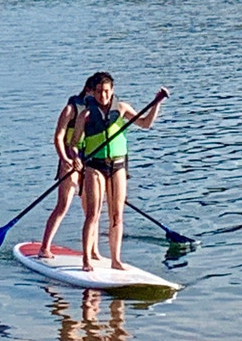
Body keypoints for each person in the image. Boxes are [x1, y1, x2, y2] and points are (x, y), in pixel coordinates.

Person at [69, 72, 168, 271]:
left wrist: (157, 103)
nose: (103, 96)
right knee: (93, 214)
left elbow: (145, 124)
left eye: (106, 91)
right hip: (95, 166)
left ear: (112, 90)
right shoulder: (85, 115)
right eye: (99, 92)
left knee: (117, 216)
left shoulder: (122, 108)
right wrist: (76, 159)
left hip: (118, 166)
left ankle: (115, 260)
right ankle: (87, 259)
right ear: (93, 92)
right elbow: (73, 144)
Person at [38, 74, 98, 259]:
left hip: (90, 160)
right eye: (96, 92)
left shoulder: (98, 111)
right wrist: (64, 158)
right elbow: (58, 137)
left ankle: (93, 250)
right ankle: (44, 248)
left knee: (92, 209)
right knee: (63, 205)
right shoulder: (71, 109)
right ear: (88, 90)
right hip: (70, 159)